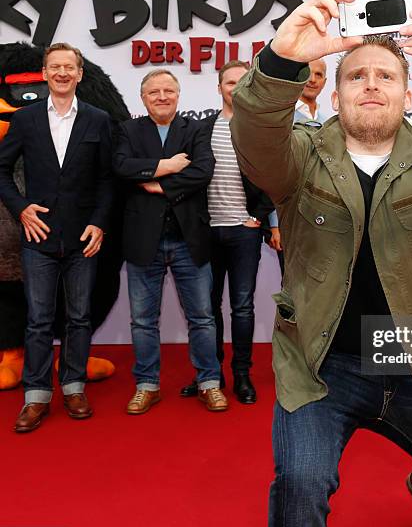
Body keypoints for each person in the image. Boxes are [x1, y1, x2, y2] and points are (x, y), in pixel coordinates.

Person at [230, 0, 412, 527]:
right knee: (300, 486)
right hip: (318, 365)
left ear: (409, 94)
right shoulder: (301, 155)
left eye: (386, 76)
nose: (372, 84)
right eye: (357, 77)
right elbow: (256, 138)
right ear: (336, 94)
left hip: (405, 361)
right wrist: (281, 62)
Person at [0, 42, 113, 432]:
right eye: (55, 67)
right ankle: (36, 396)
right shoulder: (26, 119)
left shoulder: (98, 119)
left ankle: (74, 386)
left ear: (80, 74)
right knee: (38, 320)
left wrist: (99, 223)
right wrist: (21, 208)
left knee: (79, 318)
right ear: (45, 74)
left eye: (70, 67)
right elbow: (2, 171)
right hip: (38, 239)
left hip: (83, 239)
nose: (63, 73)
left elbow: (106, 179)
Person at [113, 69, 227, 414]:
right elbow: (121, 166)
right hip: (142, 241)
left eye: (168, 91)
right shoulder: (127, 130)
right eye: (154, 92)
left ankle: (210, 383)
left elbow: (202, 170)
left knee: (203, 318)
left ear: (178, 95)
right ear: (142, 98)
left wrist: (157, 183)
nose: (162, 97)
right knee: (143, 321)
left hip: (188, 240)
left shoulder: (195, 130)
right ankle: (147, 385)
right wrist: (166, 165)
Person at [179, 61, 273, 404]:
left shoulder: (260, 129)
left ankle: (242, 375)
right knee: (207, 308)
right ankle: (210, 374)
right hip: (206, 232)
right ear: (220, 88)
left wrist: (259, 217)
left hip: (243, 232)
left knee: (243, 307)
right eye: (230, 82)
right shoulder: (199, 129)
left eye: (243, 81)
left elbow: (272, 177)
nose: (236, 87)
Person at [267, 58, 329, 271]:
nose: (313, 80)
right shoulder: (282, 116)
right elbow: (275, 174)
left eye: (319, 75)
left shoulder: (329, 120)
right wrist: (276, 223)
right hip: (291, 218)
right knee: (293, 290)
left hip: (327, 219)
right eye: (308, 73)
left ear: (325, 81)